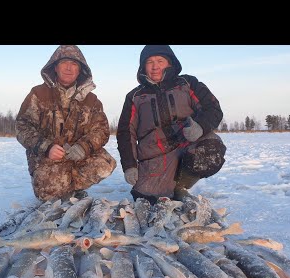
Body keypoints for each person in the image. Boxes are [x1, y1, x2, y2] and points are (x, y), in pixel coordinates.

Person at [117, 45, 226, 205]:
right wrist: (129, 166)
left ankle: (181, 186)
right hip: (156, 160)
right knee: (145, 201)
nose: (155, 66)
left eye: (160, 61)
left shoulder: (188, 83)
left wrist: (200, 127)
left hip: (187, 148)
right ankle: (165, 188)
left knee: (210, 147)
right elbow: (125, 133)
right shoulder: (135, 96)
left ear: (170, 63)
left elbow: (213, 109)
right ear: (143, 67)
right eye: (149, 62)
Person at [15, 45, 117, 202]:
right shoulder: (38, 94)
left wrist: (83, 147)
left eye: (74, 64)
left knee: (106, 163)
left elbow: (101, 131)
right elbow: (23, 126)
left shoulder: (92, 100)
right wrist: (46, 147)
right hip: (47, 159)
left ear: (80, 70)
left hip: (77, 156)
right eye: (64, 63)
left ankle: (75, 190)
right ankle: (61, 189)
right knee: (49, 195)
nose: (69, 68)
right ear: (55, 67)